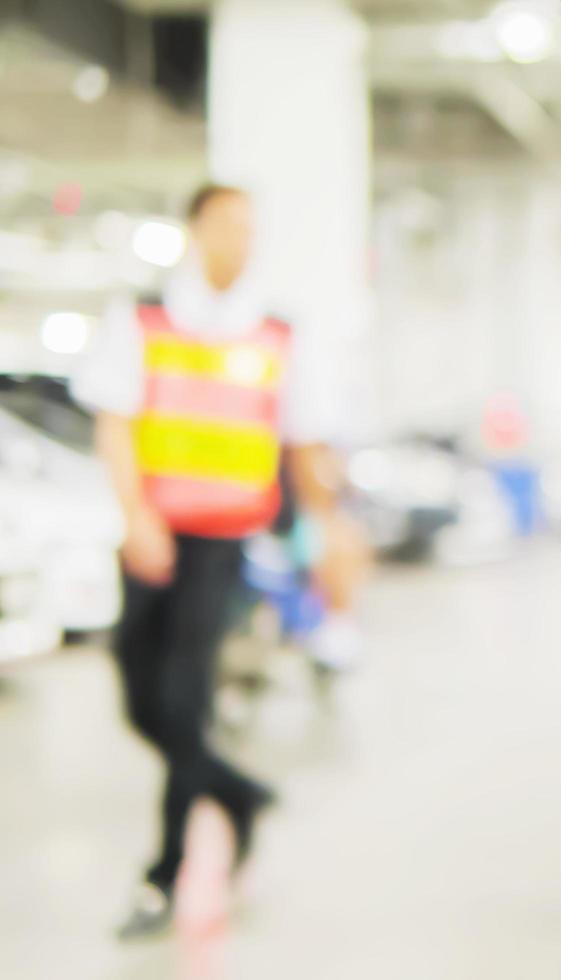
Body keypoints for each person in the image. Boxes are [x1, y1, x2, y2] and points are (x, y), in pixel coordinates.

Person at [72, 184, 362, 939]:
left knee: (184, 694)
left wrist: (328, 538)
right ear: (195, 230)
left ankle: (164, 876)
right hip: (151, 532)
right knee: (138, 694)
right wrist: (135, 516)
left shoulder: (277, 333)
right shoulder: (143, 318)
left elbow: (305, 448)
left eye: (248, 227)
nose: (238, 238)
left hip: (223, 541)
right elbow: (115, 422)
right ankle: (237, 795)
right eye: (224, 224)